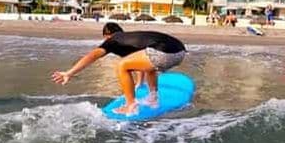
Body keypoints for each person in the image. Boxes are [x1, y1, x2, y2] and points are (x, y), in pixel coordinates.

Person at [51, 23, 187, 115]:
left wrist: (69, 73)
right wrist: (139, 83)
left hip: (163, 53)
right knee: (149, 66)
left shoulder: (113, 40)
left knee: (121, 65)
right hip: (180, 52)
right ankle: (153, 98)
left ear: (107, 36)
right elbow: (142, 65)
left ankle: (130, 106)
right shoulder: (131, 39)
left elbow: (92, 56)